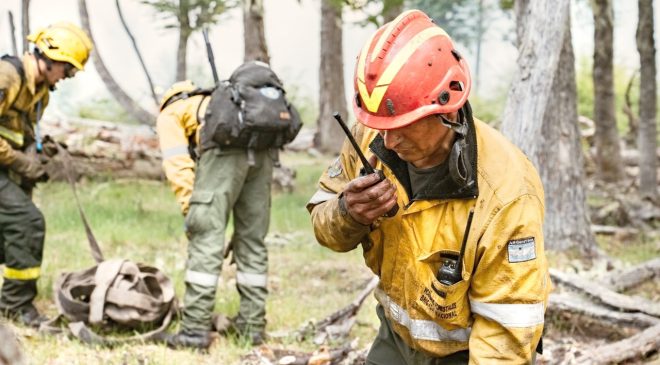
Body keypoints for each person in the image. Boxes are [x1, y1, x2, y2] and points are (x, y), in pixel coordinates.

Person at [307, 9, 550, 364]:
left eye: (404, 125)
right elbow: (324, 225)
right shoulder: (372, 132)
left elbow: (506, 335)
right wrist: (348, 213)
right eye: (380, 124)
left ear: (447, 110)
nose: (387, 141)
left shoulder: (507, 193)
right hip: (395, 334)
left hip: (466, 353)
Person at [157, 65, 278, 349]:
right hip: (262, 154)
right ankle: (252, 327)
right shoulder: (220, 101)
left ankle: (194, 331)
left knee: (206, 240)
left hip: (224, 155)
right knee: (252, 241)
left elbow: (177, 165)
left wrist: (193, 210)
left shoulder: (170, 113)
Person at [0, 22, 93, 327]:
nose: (67, 77)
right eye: (68, 70)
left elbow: (20, 133)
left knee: (9, 234)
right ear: (52, 59)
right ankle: (15, 304)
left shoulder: (41, 93)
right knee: (27, 222)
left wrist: (39, 151)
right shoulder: (7, 76)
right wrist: (19, 162)